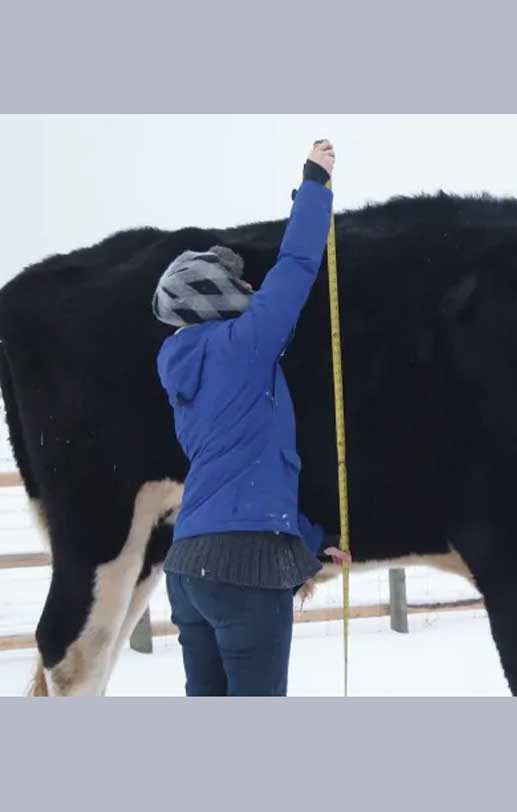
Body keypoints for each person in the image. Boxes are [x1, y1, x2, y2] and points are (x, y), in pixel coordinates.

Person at [153, 140, 349, 696]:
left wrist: (309, 539)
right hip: (243, 574)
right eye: (239, 284)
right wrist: (314, 185)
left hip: (188, 570)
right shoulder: (245, 345)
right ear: (214, 295)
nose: (252, 289)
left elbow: (242, 478)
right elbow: (298, 264)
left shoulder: (183, 375)